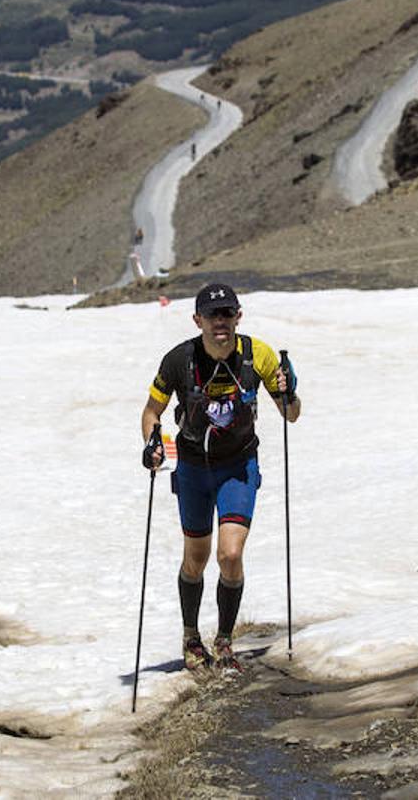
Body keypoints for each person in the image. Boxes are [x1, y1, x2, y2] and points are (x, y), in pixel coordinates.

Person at [141, 283, 300, 673]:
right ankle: (191, 637)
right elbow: (151, 412)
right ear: (198, 320)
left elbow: (291, 414)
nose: (221, 322)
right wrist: (153, 443)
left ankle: (225, 640)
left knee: (230, 555)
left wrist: (288, 390)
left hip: (238, 467)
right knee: (195, 558)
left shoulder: (257, 355)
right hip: (194, 469)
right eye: (213, 316)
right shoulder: (179, 360)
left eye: (227, 313)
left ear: (238, 316)